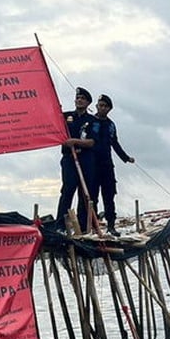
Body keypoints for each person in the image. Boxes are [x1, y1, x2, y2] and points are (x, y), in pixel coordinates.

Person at [53, 87, 96, 233]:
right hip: (69, 159)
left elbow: (92, 141)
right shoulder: (66, 117)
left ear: (88, 102)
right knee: (67, 189)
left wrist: (75, 141)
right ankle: (60, 225)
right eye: (78, 98)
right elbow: (54, 126)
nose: (79, 100)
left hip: (86, 158)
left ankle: (83, 227)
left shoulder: (92, 121)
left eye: (83, 98)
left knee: (84, 192)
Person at [89, 94, 134, 236]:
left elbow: (115, 143)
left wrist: (126, 158)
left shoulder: (111, 125)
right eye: (99, 105)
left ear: (109, 109)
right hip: (92, 164)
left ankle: (111, 225)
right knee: (92, 197)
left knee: (109, 196)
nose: (102, 108)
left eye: (104, 106)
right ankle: (94, 227)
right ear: (96, 106)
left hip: (107, 164)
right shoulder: (90, 122)